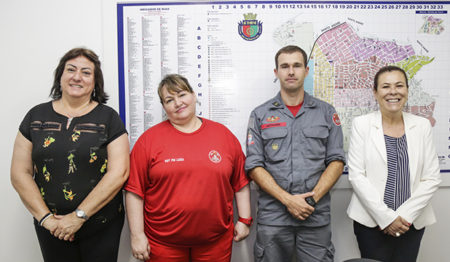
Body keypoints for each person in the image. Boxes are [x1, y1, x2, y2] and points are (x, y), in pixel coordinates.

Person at [10, 47, 130, 262]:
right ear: (60, 76)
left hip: (101, 223)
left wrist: (78, 216)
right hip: (51, 225)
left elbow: (119, 173)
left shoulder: (109, 118)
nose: (77, 77)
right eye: (71, 70)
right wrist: (47, 219)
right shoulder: (35, 116)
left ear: (95, 82)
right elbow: (20, 173)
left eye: (86, 72)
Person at [125, 74, 252, 262]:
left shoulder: (222, 135)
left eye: (182, 94)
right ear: (164, 106)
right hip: (162, 243)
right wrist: (137, 235)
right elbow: (135, 191)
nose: (177, 103)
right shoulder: (148, 141)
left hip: (215, 242)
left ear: (193, 95)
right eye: (169, 100)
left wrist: (244, 220)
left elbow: (240, 182)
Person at [245, 45, 345, 262]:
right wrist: (288, 200)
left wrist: (311, 200)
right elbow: (254, 165)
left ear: (306, 71)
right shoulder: (260, 114)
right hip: (274, 218)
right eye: (285, 66)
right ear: (276, 72)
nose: (291, 71)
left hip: (315, 217)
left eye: (297, 65)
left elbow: (336, 161)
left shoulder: (327, 113)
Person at [346, 65, 441, 262]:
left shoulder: (422, 125)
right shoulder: (361, 125)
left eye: (399, 85)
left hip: (411, 223)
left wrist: (403, 217)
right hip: (371, 223)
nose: (393, 92)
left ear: (407, 90)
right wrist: (387, 218)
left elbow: (432, 177)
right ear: (375, 92)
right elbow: (357, 176)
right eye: (385, 86)